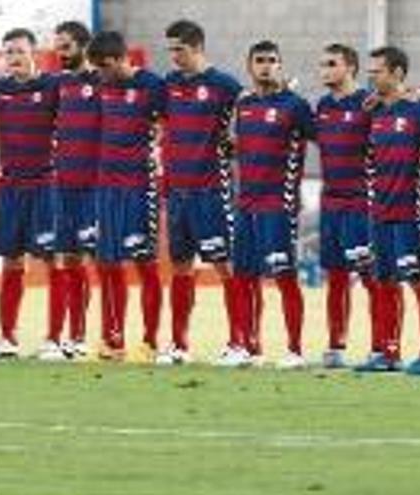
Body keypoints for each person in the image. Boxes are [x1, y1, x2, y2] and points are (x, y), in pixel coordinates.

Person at [158, 20, 243, 365]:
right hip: (178, 190)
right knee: (180, 267)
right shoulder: (170, 84)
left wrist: (239, 140)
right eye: (171, 49)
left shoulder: (224, 85)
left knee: (226, 266)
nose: (173, 56)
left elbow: (250, 113)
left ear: (196, 47)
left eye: (178, 49)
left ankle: (239, 343)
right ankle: (179, 344)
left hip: (212, 189)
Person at [224, 40, 313, 369]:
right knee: (244, 276)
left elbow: (325, 137)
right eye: (259, 60)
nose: (266, 66)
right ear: (249, 66)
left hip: (279, 205)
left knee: (284, 276)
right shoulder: (243, 104)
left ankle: (295, 349)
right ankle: (249, 346)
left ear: (281, 65)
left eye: (272, 60)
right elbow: (243, 146)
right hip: (246, 203)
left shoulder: (296, 106)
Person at [354, 46, 420, 375]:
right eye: (370, 71)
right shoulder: (373, 113)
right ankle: (390, 353)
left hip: (411, 214)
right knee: (386, 283)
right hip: (379, 212)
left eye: (377, 71)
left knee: (418, 280)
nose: (371, 76)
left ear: (398, 73)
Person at [0, 28, 60, 359]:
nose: (14, 57)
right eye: (8, 51)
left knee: (51, 261)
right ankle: (7, 338)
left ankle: (55, 338)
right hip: (10, 187)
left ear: (34, 53)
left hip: (44, 186)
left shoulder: (51, 86)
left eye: (19, 51)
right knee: (11, 261)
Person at [86, 31, 165, 362]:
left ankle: (149, 341)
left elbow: (168, 122)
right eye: (97, 69)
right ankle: (112, 340)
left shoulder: (151, 86)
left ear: (121, 59)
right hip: (106, 188)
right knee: (106, 265)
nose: (101, 75)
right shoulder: (102, 86)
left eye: (105, 67)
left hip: (139, 188)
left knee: (145, 265)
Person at [313, 43, 379, 368]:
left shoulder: (369, 103)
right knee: (335, 277)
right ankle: (336, 346)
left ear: (350, 67)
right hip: (330, 203)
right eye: (322, 64)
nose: (324, 70)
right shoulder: (322, 106)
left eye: (331, 64)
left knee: (370, 276)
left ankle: (381, 346)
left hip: (360, 202)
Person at [39, 20, 99, 360]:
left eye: (66, 47)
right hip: (62, 185)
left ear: (83, 46)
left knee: (91, 259)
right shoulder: (56, 83)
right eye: (57, 47)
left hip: (95, 187)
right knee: (65, 259)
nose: (60, 53)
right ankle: (57, 337)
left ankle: (83, 336)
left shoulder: (101, 82)